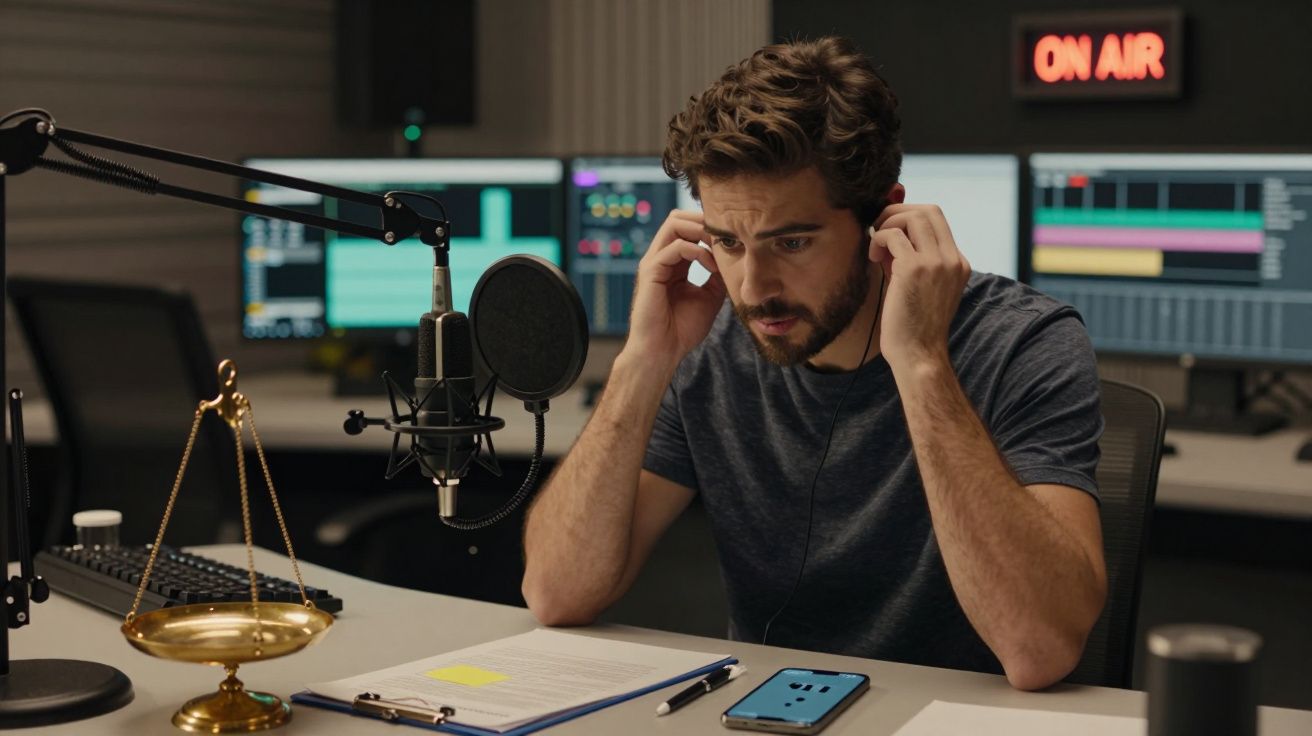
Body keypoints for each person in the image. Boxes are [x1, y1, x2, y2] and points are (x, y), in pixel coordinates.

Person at [521, 36, 1106, 691]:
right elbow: (555, 593)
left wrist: (920, 364)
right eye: (729, 243)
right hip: (764, 714)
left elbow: (1041, 649)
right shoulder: (710, 345)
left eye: (791, 242)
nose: (752, 287)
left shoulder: (1022, 342)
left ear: (886, 216)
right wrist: (642, 361)